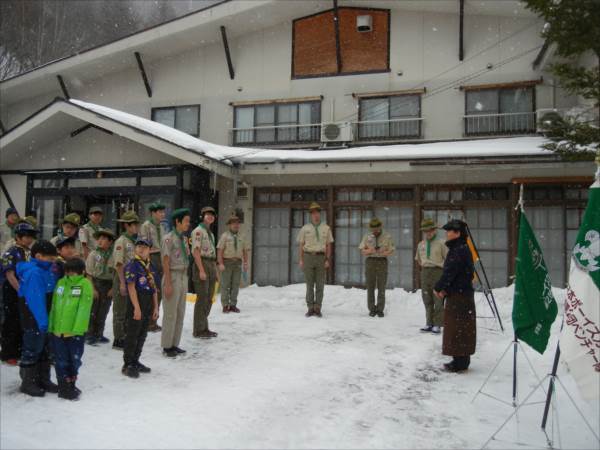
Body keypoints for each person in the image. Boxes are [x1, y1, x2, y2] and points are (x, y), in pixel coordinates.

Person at [16, 240, 59, 397]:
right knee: (32, 348)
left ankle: (43, 378)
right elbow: (36, 301)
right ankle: (28, 382)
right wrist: (42, 322)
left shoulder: (46, 270)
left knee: (44, 349)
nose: (53, 262)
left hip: (44, 318)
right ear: (39, 256)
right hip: (34, 318)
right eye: (50, 259)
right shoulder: (34, 273)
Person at [434, 219, 476, 373]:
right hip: (461, 293)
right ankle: (461, 360)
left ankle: (459, 362)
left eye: (449, 231)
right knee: (461, 329)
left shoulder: (458, 249)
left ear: (457, 233)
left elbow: (450, 272)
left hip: (459, 296)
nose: (447, 233)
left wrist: (440, 287)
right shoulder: (462, 248)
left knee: (457, 328)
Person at [48, 258, 93, 399]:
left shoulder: (84, 284)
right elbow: (55, 306)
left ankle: (71, 383)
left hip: (74, 332)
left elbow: (84, 308)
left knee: (75, 360)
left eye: (74, 272)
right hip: (58, 331)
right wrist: (52, 326)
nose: (71, 275)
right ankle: (64, 388)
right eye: (68, 272)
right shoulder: (61, 283)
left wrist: (77, 330)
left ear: (82, 272)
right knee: (61, 360)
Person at [0, 222, 38, 365]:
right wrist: (21, 291)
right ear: (18, 237)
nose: (29, 239)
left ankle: (20, 349)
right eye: (26, 236)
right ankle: (8, 353)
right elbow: (10, 274)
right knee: (11, 321)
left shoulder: (29, 252)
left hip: (26, 290)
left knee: (23, 321)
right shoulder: (11, 252)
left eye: (31, 237)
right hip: (12, 289)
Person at [122, 238, 159, 378]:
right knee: (132, 334)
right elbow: (131, 287)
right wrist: (136, 308)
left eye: (145, 247)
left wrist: (156, 307)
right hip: (136, 301)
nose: (141, 249)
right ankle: (127, 364)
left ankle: (136, 360)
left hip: (148, 302)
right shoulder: (133, 265)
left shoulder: (151, 266)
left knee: (142, 334)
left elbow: (154, 288)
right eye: (139, 246)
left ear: (150, 250)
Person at [161, 208, 191, 358]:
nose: (188, 224)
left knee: (180, 312)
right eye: (185, 221)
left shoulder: (184, 239)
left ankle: (175, 343)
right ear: (177, 222)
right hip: (172, 275)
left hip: (183, 276)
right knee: (170, 313)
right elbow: (165, 261)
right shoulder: (169, 238)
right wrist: (167, 283)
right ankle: (167, 345)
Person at [297, 202, 334, 318]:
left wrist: (327, 259)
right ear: (310, 215)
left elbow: (328, 245)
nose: (315, 215)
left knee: (320, 284)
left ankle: (318, 307)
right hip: (308, 257)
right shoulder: (305, 228)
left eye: (317, 212)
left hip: (321, 257)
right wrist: (301, 259)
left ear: (320, 214)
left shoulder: (326, 228)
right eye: (313, 213)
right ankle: (310, 307)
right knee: (309, 284)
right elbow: (301, 245)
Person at [111, 211, 140, 350]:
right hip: (122, 278)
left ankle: (125, 334)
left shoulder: (134, 241)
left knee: (129, 308)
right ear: (127, 226)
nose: (136, 227)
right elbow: (118, 264)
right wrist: (122, 283)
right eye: (134, 225)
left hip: (132, 279)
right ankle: (118, 338)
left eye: (136, 224)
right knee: (120, 309)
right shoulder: (121, 241)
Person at [139, 202, 168, 332]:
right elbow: (143, 245)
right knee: (151, 289)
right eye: (160, 212)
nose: (163, 214)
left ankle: (154, 320)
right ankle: (147, 321)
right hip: (151, 257)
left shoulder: (162, 227)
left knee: (158, 290)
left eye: (163, 212)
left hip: (161, 257)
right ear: (153, 213)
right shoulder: (146, 226)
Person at [415, 218, 448, 334]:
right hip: (425, 272)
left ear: (434, 230)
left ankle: (438, 324)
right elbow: (418, 260)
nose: (428, 233)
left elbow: (447, 259)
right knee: (427, 298)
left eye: (430, 230)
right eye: (425, 231)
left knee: (438, 298)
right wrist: (425, 267)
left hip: (438, 272)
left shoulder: (441, 243)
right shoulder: (421, 244)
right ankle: (429, 323)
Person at [359, 217, 395, 317]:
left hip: (382, 261)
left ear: (380, 227)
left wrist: (384, 253)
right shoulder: (367, 236)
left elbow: (392, 250)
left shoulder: (387, 236)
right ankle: (371, 308)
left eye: (376, 229)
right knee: (370, 286)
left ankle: (380, 309)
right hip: (370, 261)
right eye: (373, 229)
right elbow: (362, 250)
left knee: (381, 286)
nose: (375, 231)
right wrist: (369, 251)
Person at [191, 206, 219, 338]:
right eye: (208, 215)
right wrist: (201, 270)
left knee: (209, 297)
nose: (210, 217)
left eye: (212, 215)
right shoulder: (198, 231)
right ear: (203, 216)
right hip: (202, 263)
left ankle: (204, 326)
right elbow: (196, 251)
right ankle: (198, 329)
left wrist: (216, 271)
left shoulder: (210, 233)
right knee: (202, 297)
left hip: (211, 263)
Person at [85, 228, 115, 345]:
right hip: (96, 283)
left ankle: (99, 333)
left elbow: (116, 273)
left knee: (104, 310)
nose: (100, 241)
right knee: (93, 310)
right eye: (99, 239)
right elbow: (88, 273)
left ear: (110, 242)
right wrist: (92, 289)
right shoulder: (93, 254)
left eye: (104, 239)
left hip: (108, 284)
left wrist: (113, 288)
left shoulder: (113, 255)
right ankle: (89, 334)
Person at [217, 214, 248, 314]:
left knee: (235, 284)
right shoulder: (225, 236)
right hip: (227, 262)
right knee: (225, 284)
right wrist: (220, 263)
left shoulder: (242, 236)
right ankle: (225, 305)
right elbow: (220, 251)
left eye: (237, 223)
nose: (236, 225)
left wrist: (246, 262)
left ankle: (233, 305)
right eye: (233, 223)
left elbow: (245, 250)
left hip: (237, 262)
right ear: (229, 225)